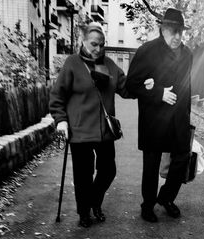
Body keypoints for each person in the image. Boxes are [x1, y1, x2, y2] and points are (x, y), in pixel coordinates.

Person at [49, 22, 132, 227]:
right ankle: (84, 212)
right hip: (80, 131)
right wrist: (61, 121)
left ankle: (94, 201)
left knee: (108, 170)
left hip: (104, 131)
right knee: (83, 175)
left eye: (102, 45)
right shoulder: (72, 63)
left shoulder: (110, 65)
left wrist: (145, 84)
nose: (98, 49)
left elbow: (127, 89)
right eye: (94, 44)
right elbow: (57, 96)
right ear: (83, 41)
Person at [126, 8, 193, 222]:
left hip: (178, 119)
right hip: (153, 119)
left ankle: (165, 198)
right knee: (152, 164)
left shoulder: (187, 54)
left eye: (180, 31)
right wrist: (158, 93)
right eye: (173, 31)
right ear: (162, 28)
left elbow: (187, 87)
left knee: (182, 159)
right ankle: (148, 205)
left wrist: (187, 116)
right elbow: (131, 85)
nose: (177, 36)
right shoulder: (147, 51)